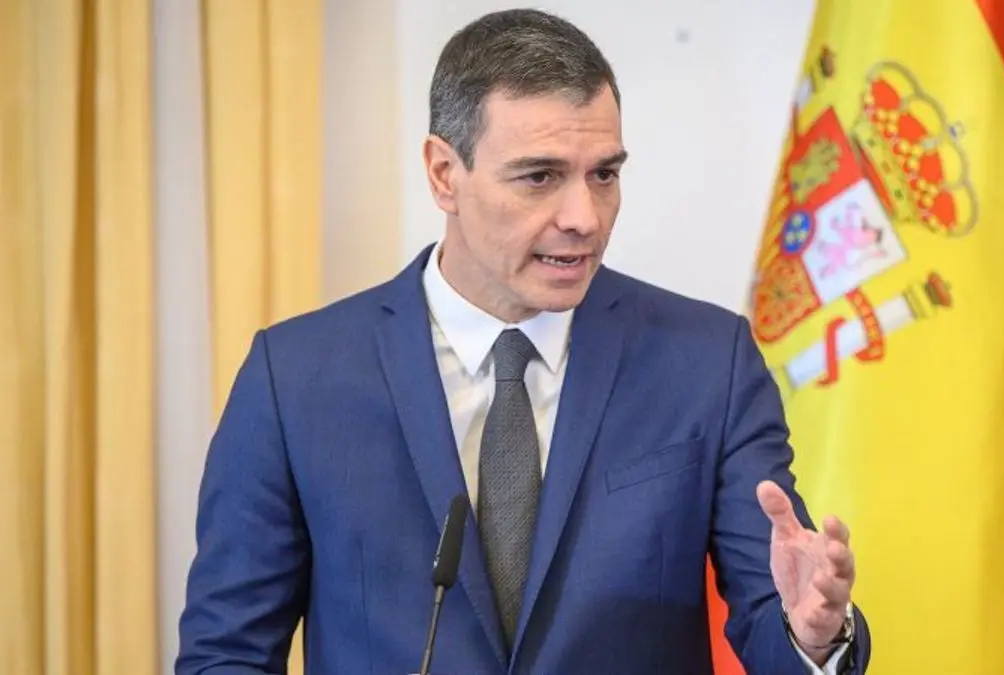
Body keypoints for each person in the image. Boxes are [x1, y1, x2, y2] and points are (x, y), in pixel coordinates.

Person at [176, 8, 870, 675]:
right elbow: (226, 653)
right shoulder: (294, 379)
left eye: (604, 174)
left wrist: (813, 635)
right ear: (444, 174)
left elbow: (774, 619)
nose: (584, 217)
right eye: (540, 177)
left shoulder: (707, 363)